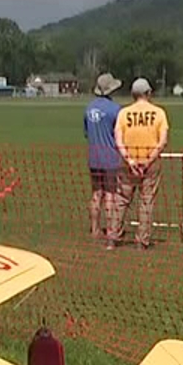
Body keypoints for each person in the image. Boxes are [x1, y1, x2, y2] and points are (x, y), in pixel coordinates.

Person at [114, 77, 170, 247]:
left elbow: (118, 140)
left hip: (127, 163)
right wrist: (147, 160)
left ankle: (113, 236)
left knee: (121, 200)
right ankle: (141, 240)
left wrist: (129, 160)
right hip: (150, 163)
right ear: (148, 93)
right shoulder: (159, 113)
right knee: (146, 201)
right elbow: (162, 141)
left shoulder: (123, 113)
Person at [83, 73, 124, 246]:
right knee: (110, 193)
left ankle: (94, 228)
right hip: (110, 157)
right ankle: (110, 229)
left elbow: (86, 133)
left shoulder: (88, 108)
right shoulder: (115, 109)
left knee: (96, 193)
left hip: (94, 156)